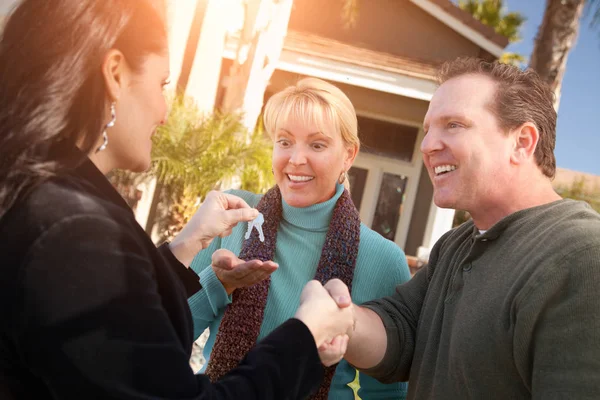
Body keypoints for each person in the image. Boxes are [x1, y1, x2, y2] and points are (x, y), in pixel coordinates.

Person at [0, 1, 355, 399]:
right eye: (163, 84)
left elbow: (127, 345)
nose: (165, 112)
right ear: (115, 74)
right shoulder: (74, 228)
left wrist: (186, 246)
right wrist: (305, 339)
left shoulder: (42, 193)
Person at [320, 57, 600, 399]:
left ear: (522, 142)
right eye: (428, 130)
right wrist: (342, 320)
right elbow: (400, 333)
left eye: (454, 124)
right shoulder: (455, 245)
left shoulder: (583, 256)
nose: (427, 146)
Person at [187, 77, 411, 399]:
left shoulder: (382, 259)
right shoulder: (232, 215)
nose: (295, 159)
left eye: (317, 145)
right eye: (285, 141)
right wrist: (218, 283)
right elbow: (167, 334)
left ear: (349, 155)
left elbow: (387, 394)